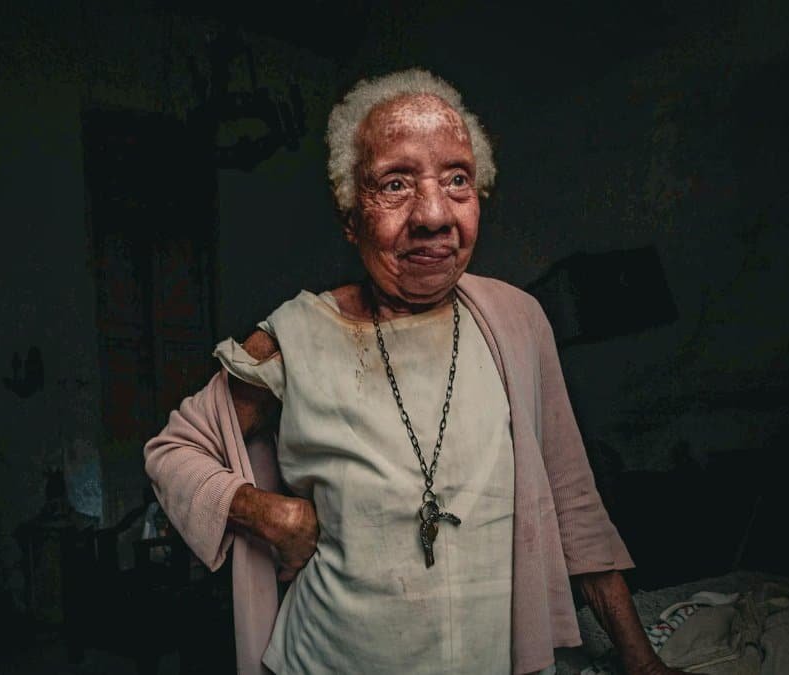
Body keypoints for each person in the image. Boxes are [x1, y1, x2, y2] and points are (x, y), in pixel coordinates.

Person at [144, 68, 689, 675]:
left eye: (457, 179)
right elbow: (174, 450)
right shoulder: (292, 337)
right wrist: (266, 510)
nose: (433, 214)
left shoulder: (518, 322)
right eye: (396, 184)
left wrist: (641, 661)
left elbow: (573, 503)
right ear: (351, 216)